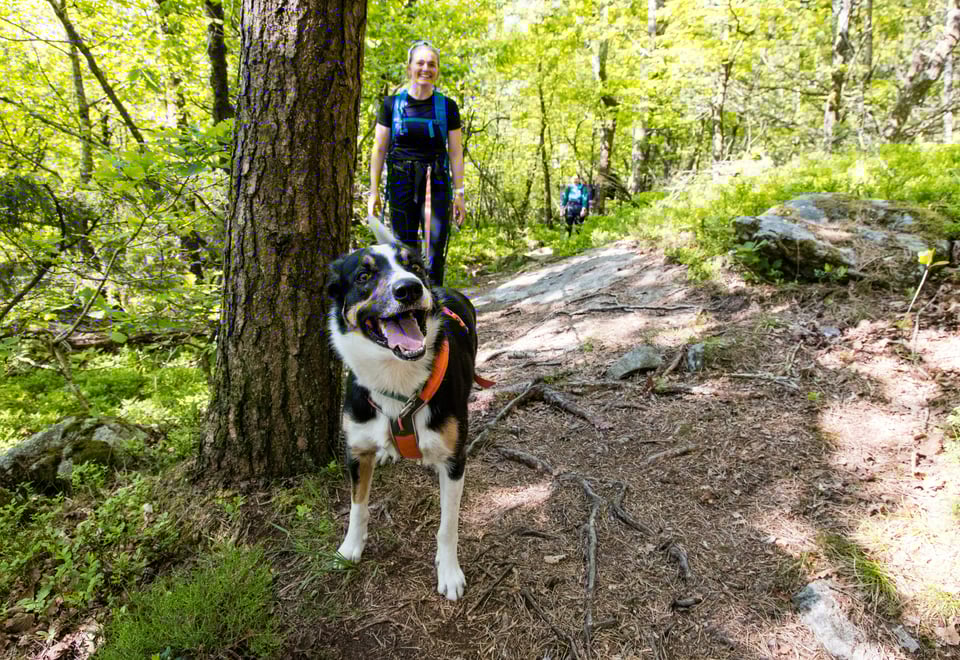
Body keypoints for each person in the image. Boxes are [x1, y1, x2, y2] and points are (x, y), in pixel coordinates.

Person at [368, 40, 466, 285]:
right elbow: (379, 149)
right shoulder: (391, 105)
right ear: (409, 67)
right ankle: (409, 310)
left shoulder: (448, 107)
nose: (426, 68)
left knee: (434, 252)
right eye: (420, 63)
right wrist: (373, 191)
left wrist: (460, 193)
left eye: (431, 64)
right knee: (404, 251)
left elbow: (455, 152)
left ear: (437, 70)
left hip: (437, 183)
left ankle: (436, 311)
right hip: (401, 182)